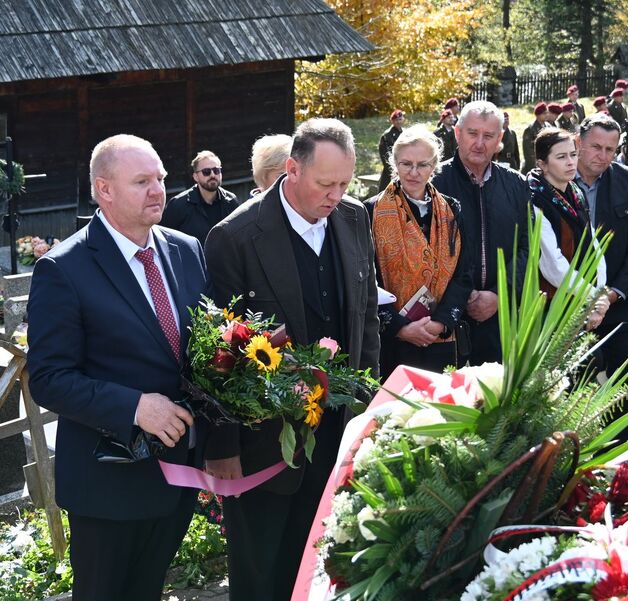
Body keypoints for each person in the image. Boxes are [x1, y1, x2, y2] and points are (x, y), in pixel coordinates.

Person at [203, 119, 380, 600]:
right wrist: (223, 446)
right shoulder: (235, 237)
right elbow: (218, 351)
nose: (336, 195)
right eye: (326, 184)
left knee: (323, 562)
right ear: (291, 170)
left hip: (338, 432)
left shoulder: (352, 216)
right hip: (266, 442)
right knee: (262, 573)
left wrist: (369, 412)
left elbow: (364, 318)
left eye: (345, 183)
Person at [27, 134, 209, 601]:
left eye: (162, 179)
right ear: (104, 190)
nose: (158, 191)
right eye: (142, 181)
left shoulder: (186, 249)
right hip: (107, 483)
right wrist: (133, 407)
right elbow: (49, 378)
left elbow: (199, 352)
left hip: (176, 475)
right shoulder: (63, 269)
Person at [366, 125, 470, 375]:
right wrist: (401, 328)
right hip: (393, 343)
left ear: (433, 166)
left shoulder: (452, 210)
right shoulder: (370, 211)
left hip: (441, 338)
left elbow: (464, 272)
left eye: (422, 165)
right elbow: (367, 280)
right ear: (394, 164)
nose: (413, 172)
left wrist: (439, 323)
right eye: (405, 164)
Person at [432, 101, 530, 365]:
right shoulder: (434, 182)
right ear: (457, 133)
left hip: (501, 315)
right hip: (445, 317)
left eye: (488, 136)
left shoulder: (516, 184)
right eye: (472, 133)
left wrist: (500, 294)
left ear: (500, 139)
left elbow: (528, 247)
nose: (479, 143)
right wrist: (461, 298)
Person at [575, 114, 628, 438]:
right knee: (573, 383)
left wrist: (613, 293)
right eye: (595, 147)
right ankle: (571, 450)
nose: (603, 156)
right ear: (578, 142)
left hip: (617, 301)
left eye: (610, 148)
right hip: (569, 304)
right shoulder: (553, 179)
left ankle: (612, 447)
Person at [526, 127, 609, 325]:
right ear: (542, 164)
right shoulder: (535, 198)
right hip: (551, 304)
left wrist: (600, 291)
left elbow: (593, 243)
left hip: (581, 296)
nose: (571, 162)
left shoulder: (575, 192)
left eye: (573, 154)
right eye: (561, 157)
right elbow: (551, 264)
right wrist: (592, 295)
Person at [160, 150, 240, 243]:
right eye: (206, 172)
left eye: (216, 170)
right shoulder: (178, 205)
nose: (212, 175)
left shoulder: (231, 201)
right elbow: (165, 239)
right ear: (195, 177)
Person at [378, 109, 405, 191]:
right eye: (396, 120)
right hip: (391, 169)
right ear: (392, 121)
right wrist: (392, 170)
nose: (399, 122)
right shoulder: (387, 135)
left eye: (400, 119)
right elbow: (384, 155)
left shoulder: (405, 133)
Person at [522, 102, 550, 174]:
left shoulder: (548, 126)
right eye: (544, 113)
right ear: (538, 115)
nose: (547, 115)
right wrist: (534, 164)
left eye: (547, 113)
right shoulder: (530, 129)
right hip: (535, 162)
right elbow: (527, 149)